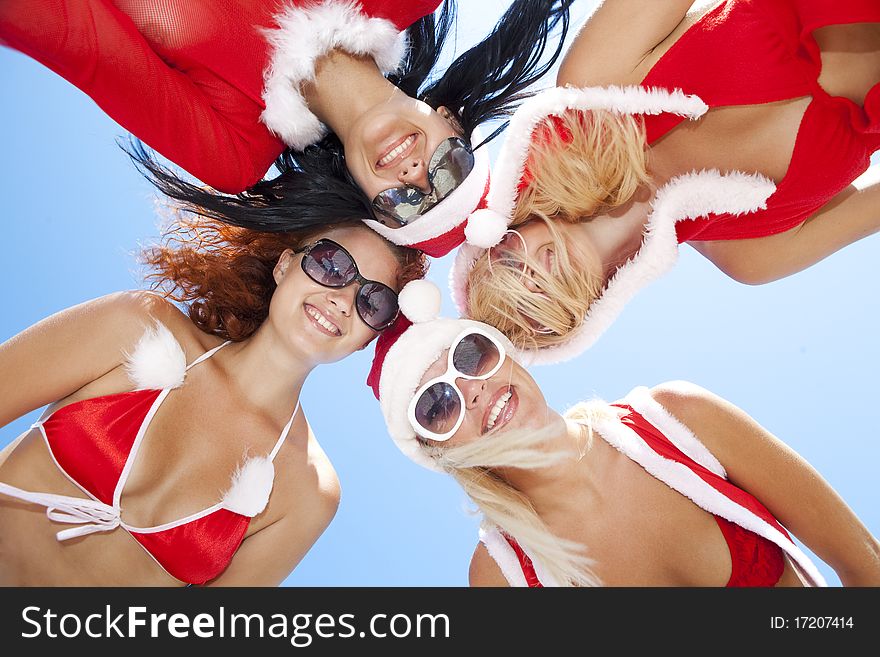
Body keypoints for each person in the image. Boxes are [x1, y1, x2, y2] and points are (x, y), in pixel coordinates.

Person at [0, 213, 426, 586]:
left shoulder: (308, 493)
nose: (342, 299)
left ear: (369, 339)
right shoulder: (136, 325)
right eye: (331, 264)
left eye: (374, 301)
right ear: (284, 265)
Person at [447, 0, 880, 362]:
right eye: (531, 313)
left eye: (505, 264)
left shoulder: (596, 79)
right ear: (576, 325)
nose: (531, 281)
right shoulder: (752, 254)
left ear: (508, 221)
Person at [365, 287, 880, 586]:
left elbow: (864, 565)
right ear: (440, 454)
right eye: (437, 406)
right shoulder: (501, 575)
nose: (472, 390)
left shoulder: (680, 419)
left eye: (471, 356)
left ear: (506, 353)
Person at [0, 0, 573, 257]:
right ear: (451, 122)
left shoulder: (234, 146)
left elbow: (79, 43)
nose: (415, 173)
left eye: (407, 203)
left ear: (370, 203)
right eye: (450, 171)